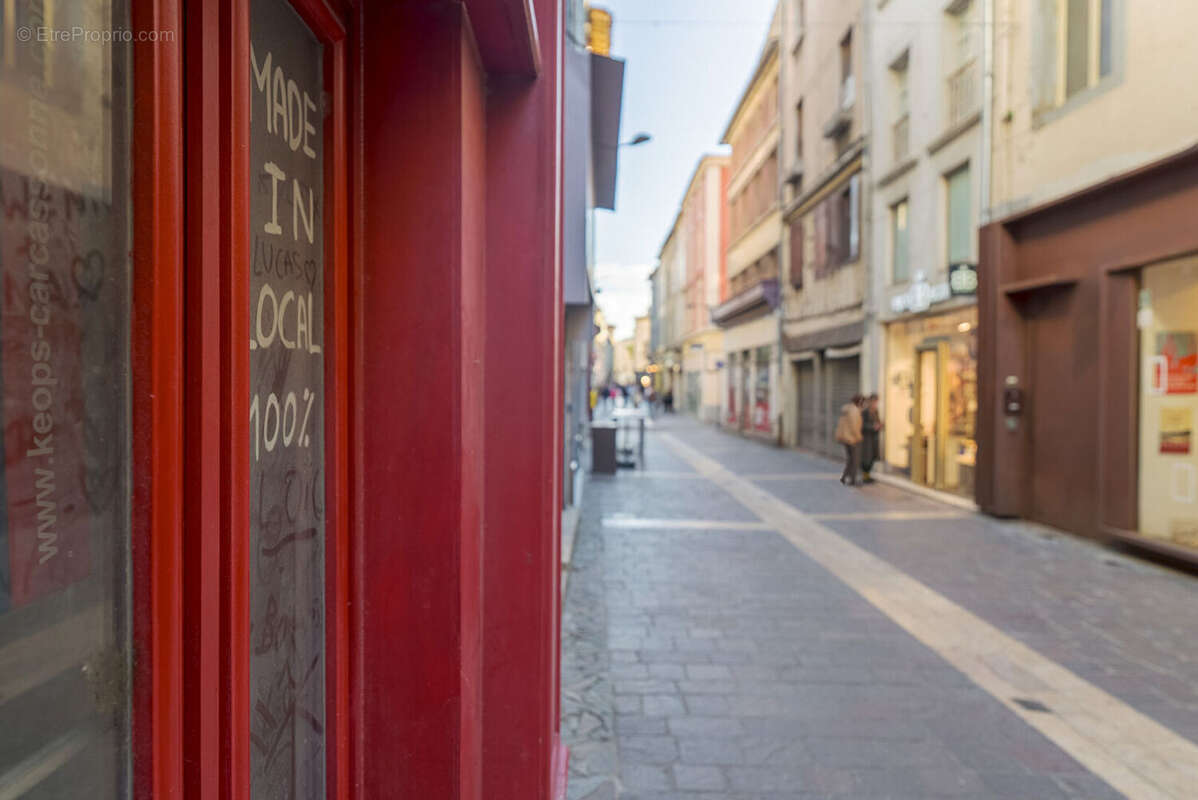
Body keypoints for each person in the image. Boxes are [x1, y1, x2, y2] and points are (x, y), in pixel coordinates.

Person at [835, 394, 864, 486]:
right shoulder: (854, 411)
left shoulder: (847, 409)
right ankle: (852, 480)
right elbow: (854, 426)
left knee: (850, 459)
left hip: (846, 438)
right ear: (859, 401)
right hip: (852, 439)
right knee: (855, 460)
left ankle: (844, 477)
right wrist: (859, 437)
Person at [861, 393, 882, 483]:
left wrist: (880, 425)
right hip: (866, 439)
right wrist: (872, 427)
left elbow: (878, 421)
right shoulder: (865, 412)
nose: (875, 404)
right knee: (866, 458)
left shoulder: (876, 411)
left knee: (872, 457)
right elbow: (862, 425)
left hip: (874, 438)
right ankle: (865, 476)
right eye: (874, 402)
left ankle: (867, 475)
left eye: (876, 402)